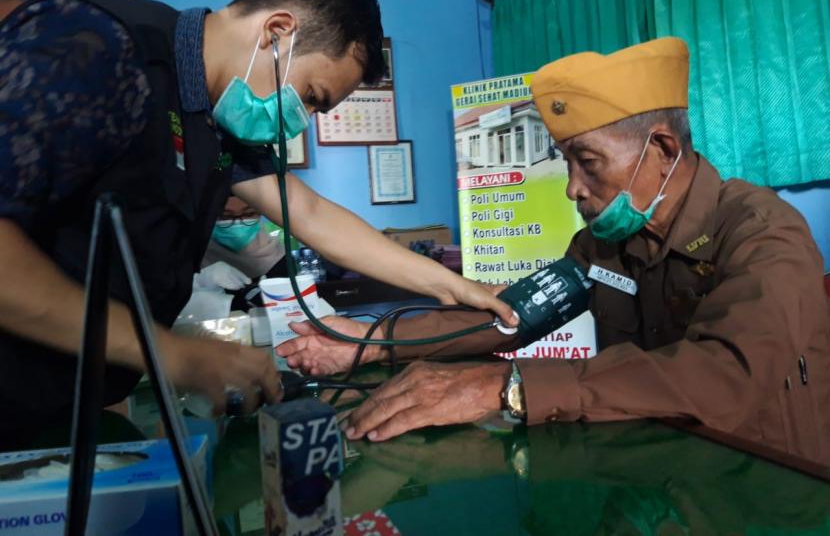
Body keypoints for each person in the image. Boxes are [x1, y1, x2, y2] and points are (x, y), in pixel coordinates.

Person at [0, 0, 514, 448]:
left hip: (68, 403)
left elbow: (310, 213)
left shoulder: (212, 116)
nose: (302, 119)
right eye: (312, 96)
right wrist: (171, 353)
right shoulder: (99, 45)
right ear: (277, 32)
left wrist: (452, 285)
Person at [279, 38, 830, 464]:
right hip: (654, 467)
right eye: (567, 163)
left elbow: (725, 376)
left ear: (661, 148)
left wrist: (508, 385)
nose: (572, 188)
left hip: (767, 482)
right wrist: (373, 343)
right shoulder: (603, 245)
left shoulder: (763, 233)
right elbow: (514, 316)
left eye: (588, 162)